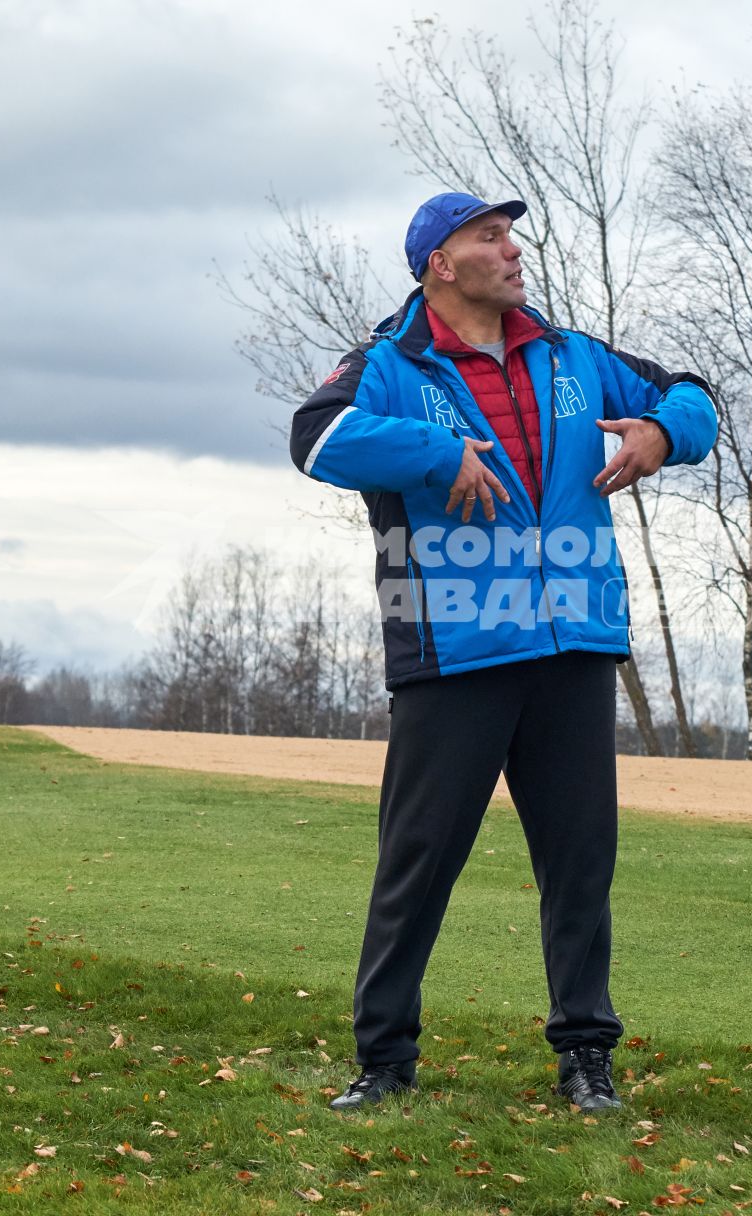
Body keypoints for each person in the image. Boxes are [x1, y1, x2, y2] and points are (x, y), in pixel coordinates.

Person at [288, 192, 717, 1113]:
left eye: (511, 234)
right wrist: (439, 455)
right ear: (440, 263)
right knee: (419, 863)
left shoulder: (574, 357)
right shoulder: (387, 366)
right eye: (490, 236)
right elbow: (315, 436)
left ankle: (586, 1058)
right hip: (453, 656)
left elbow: (694, 394)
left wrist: (661, 432)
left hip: (574, 647)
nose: (512, 249)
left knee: (580, 867)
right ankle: (386, 1062)